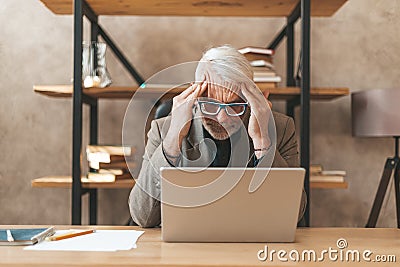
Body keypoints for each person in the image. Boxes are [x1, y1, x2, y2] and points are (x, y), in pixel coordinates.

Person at [129, 45, 306, 227]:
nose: (222, 118)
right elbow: (143, 217)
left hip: (253, 244)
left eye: (235, 106)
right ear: (194, 96)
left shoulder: (281, 128)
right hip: (186, 249)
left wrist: (263, 144)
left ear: (254, 99)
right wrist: (173, 138)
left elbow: (295, 214)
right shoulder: (163, 130)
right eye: (210, 105)